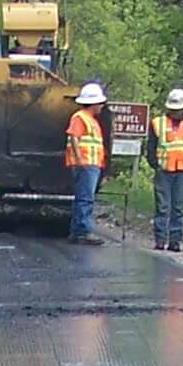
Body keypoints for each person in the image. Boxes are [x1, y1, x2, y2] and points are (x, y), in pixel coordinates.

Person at [149, 87, 183, 252]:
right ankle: (160, 240)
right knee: (162, 206)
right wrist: (154, 163)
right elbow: (151, 146)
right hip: (163, 170)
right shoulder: (158, 123)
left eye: (178, 109)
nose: (175, 112)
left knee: (178, 207)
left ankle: (175, 241)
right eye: (172, 109)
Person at [64, 81, 107, 244]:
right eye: (100, 103)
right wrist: (80, 159)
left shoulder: (91, 119)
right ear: (93, 103)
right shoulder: (80, 117)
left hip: (91, 164)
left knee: (82, 198)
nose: (102, 105)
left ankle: (77, 231)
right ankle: (82, 231)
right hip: (85, 164)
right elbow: (73, 136)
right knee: (85, 198)